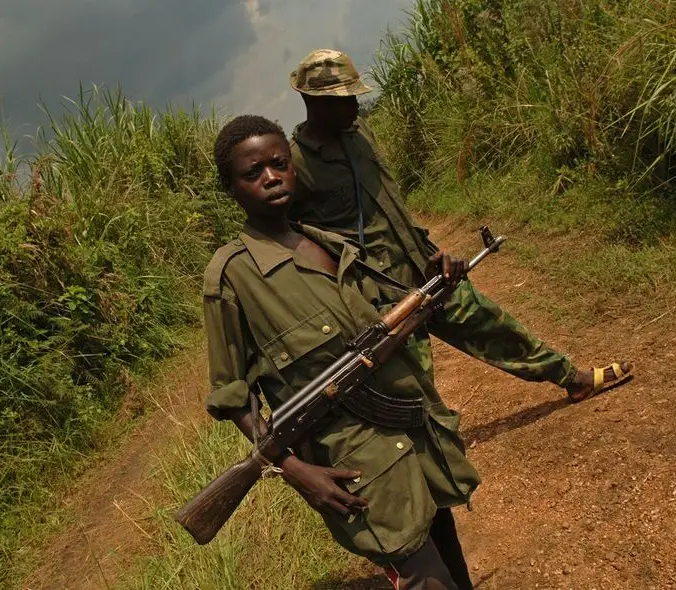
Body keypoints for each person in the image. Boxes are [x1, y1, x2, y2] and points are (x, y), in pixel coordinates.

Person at [204, 114, 479, 589]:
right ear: (230, 186)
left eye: (279, 164)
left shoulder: (327, 242)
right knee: (422, 574)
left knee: (442, 533)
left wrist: (436, 282)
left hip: (410, 424)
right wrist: (295, 472)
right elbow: (232, 397)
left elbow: (383, 323)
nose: (271, 177)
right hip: (358, 462)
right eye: (253, 173)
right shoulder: (233, 276)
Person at [286, 49, 632, 402]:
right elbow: (295, 244)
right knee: (414, 392)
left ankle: (573, 379)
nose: (354, 106)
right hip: (383, 299)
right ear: (311, 100)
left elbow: (390, 204)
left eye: (354, 97)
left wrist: (430, 249)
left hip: (428, 267)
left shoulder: (360, 133)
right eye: (343, 100)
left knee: (494, 326)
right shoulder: (294, 165)